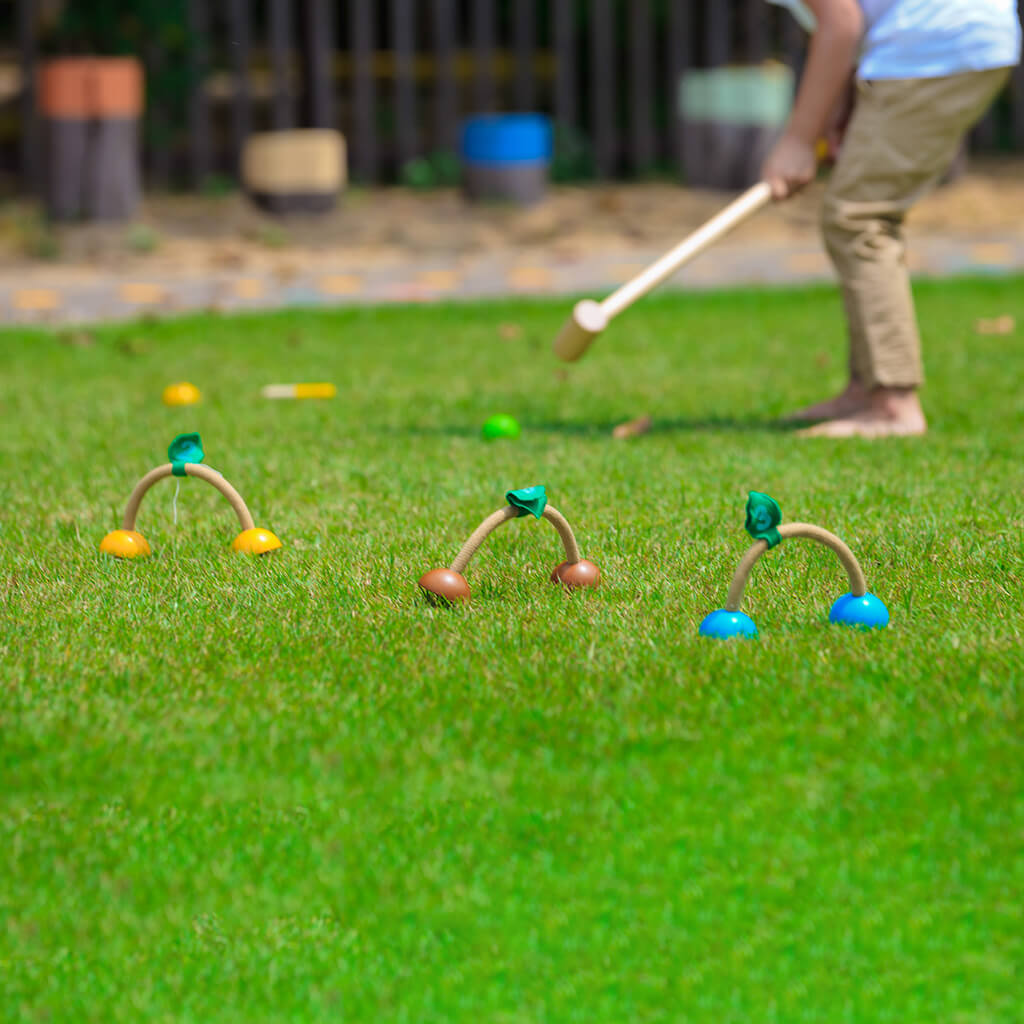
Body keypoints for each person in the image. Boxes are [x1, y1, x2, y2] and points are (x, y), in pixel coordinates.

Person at [763, 0, 1022, 437]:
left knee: (859, 218)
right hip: (956, 36)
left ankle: (893, 405)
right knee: (859, 213)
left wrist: (798, 139)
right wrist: (837, 111)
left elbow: (841, 23)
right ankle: (865, 390)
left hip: (934, 42)